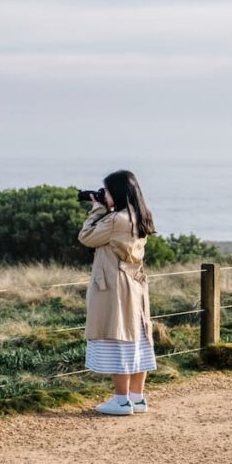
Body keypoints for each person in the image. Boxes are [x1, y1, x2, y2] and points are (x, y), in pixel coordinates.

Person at [78, 170, 156, 415]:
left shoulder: (115, 220)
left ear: (118, 192)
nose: (105, 195)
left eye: (107, 191)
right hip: (134, 283)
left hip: (114, 286)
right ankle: (137, 397)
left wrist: (97, 208)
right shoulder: (140, 216)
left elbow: (86, 237)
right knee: (138, 339)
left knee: (117, 338)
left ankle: (121, 401)